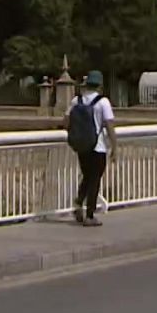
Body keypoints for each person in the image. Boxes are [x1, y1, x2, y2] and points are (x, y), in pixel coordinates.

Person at [67, 71, 119, 228]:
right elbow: (109, 125)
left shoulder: (77, 100)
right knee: (94, 179)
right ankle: (89, 215)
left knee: (88, 176)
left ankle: (78, 204)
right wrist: (115, 147)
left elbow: (66, 120)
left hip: (82, 145)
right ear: (100, 85)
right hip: (98, 146)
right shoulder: (103, 102)